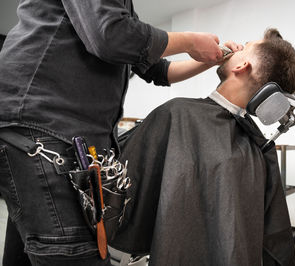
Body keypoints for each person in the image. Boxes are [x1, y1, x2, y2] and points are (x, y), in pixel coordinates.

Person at [0, 0, 243, 265]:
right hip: (42, 129)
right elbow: (110, 36)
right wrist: (189, 41)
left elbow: (157, 70)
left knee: (30, 251)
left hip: (53, 132)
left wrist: (211, 59)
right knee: (77, 252)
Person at [111, 28, 295, 265]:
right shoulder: (260, 148)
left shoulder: (176, 114)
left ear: (241, 66)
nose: (237, 47)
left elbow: (122, 201)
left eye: (244, 47)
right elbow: (276, 240)